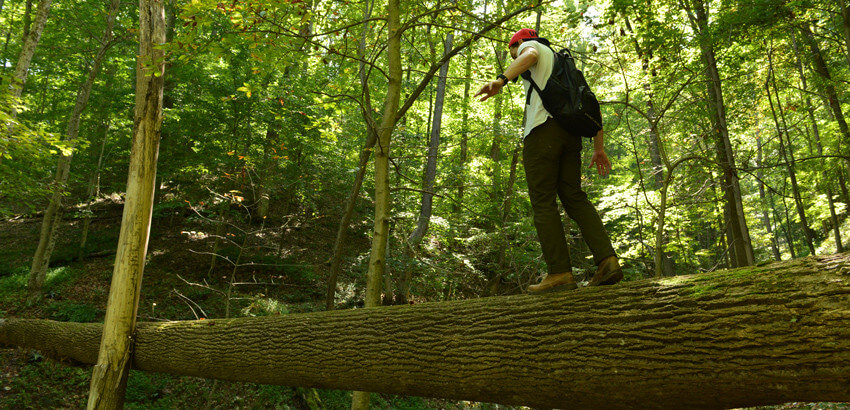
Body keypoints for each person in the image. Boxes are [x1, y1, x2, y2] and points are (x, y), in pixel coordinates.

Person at [473, 28, 622, 294]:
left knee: (543, 202)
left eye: (511, 51)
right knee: (574, 197)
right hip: (570, 135)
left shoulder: (531, 48)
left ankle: (560, 273)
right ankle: (607, 261)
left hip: (543, 133)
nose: (513, 55)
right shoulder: (563, 64)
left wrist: (501, 79)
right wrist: (598, 148)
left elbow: (528, 55)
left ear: (519, 42)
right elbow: (592, 103)